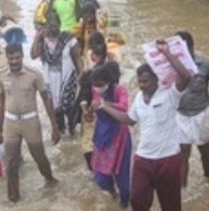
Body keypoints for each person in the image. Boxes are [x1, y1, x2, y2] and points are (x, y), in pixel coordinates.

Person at [96, 40, 192, 211]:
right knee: (137, 200)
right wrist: (106, 107)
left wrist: (167, 52)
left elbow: (185, 77)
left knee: (171, 206)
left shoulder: (170, 93)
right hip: (143, 159)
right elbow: (130, 120)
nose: (141, 85)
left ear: (156, 79)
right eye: (140, 81)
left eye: (145, 81)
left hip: (168, 159)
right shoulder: (140, 98)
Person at [0, 43, 61, 202]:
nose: (14, 61)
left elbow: (46, 99)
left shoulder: (34, 74)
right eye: (11, 58)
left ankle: (50, 180)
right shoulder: (1, 75)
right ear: (6, 58)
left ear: (22, 57)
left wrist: (54, 126)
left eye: (17, 58)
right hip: (10, 123)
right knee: (11, 163)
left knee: (39, 156)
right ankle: (14, 199)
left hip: (30, 121)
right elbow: (1, 102)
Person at [175, 31, 209, 187]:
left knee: (204, 149)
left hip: (202, 113)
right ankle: (182, 189)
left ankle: (208, 178)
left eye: (184, 50)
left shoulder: (206, 64)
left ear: (191, 47)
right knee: (183, 152)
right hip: (180, 114)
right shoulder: (170, 66)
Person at [30, 12, 83, 135]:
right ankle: (60, 131)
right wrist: (36, 38)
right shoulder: (43, 41)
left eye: (55, 25)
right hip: (49, 80)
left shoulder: (69, 38)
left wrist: (81, 73)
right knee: (54, 108)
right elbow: (33, 55)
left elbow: (77, 57)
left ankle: (71, 130)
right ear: (46, 26)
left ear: (60, 24)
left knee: (67, 105)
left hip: (67, 78)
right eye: (49, 25)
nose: (52, 28)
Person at [91, 62, 131, 209]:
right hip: (102, 135)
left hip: (120, 137)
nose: (97, 87)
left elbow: (124, 107)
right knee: (100, 178)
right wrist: (89, 110)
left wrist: (106, 104)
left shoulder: (120, 90)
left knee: (122, 174)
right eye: (94, 84)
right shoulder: (95, 90)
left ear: (107, 82)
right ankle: (112, 191)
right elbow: (92, 105)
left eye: (99, 84)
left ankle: (124, 202)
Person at [78, 30, 113, 170]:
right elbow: (84, 91)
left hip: (106, 111)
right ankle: (95, 172)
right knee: (88, 148)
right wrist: (85, 109)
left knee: (104, 145)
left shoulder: (110, 67)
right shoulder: (90, 73)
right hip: (91, 112)